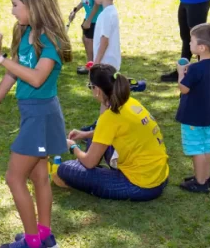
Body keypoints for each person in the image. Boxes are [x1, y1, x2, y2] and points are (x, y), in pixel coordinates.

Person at [0, 0, 72, 248]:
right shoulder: (24, 32)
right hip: (33, 113)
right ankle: (44, 235)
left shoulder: (52, 40)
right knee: (39, 176)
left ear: (34, 5)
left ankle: (33, 246)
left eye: (16, 5)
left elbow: (35, 77)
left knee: (14, 177)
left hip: (42, 115)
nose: (12, 11)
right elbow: (14, 72)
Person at [53, 65, 169, 201]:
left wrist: (73, 147)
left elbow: (90, 162)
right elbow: (110, 131)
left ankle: (85, 169)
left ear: (97, 90)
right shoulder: (130, 102)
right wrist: (85, 135)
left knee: (64, 169)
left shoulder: (110, 117)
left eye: (90, 86)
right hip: (160, 176)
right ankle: (88, 168)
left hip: (140, 186)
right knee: (95, 139)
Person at [176, 23, 210, 193]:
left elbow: (184, 88)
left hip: (193, 117)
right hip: (208, 116)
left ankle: (199, 183)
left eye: (191, 41)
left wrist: (181, 73)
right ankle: (205, 177)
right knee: (206, 147)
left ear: (202, 47)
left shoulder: (195, 70)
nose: (189, 44)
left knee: (196, 150)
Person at [68, 0, 102, 74]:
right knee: (85, 40)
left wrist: (89, 20)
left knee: (89, 42)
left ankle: (92, 66)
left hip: (95, 19)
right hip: (88, 17)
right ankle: (90, 64)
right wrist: (75, 10)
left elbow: (97, 4)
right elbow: (84, 0)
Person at [92, 0, 122, 71]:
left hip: (105, 64)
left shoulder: (106, 14)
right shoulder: (112, 11)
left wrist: (96, 63)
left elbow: (104, 40)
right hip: (110, 63)